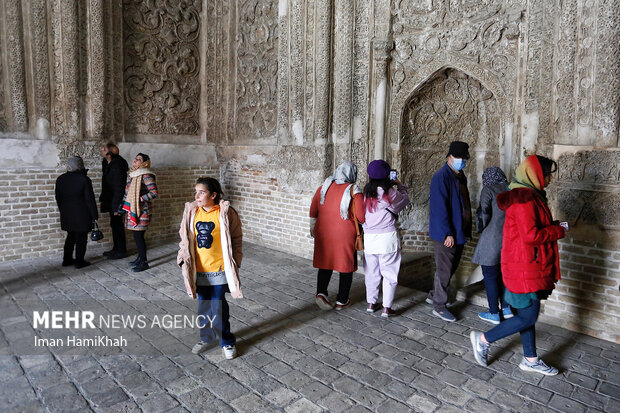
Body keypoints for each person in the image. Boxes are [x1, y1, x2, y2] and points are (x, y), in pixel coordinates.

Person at [470, 155, 566, 376]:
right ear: (534, 174)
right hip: (523, 266)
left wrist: (552, 225)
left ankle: (530, 359)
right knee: (528, 315)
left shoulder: (531, 196)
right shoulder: (523, 198)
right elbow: (531, 235)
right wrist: (559, 231)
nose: (550, 178)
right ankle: (483, 339)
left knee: (526, 314)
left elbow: (531, 227)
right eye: (547, 173)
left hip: (527, 264)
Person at [177, 177, 243, 360]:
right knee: (203, 307)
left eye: (202, 192)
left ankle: (227, 341)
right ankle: (206, 337)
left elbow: (237, 238)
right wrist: (183, 258)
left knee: (218, 307)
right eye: (196, 191)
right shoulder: (192, 212)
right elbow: (184, 238)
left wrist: (235, 261)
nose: (196, 196)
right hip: (199, 270)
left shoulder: (226, 213)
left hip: (219, 270)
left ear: (213, 195)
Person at [310, 161, 365, 311]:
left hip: (323, 231)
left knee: (325, 262)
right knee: (345, 265)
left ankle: (321, 293)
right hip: (344, 234)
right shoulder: (354, 191)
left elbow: (313, 209)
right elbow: (361, 217)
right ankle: (342, 300)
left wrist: (312, 226)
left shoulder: (323, 188)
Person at [427, 141, 472, 322]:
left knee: (449, 267)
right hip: (447, 233)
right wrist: (447, 233)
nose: (461, 161)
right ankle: (439, 305)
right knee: (445, 269)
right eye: (458, 157)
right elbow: (439, 209)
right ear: (450, 156)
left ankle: (433, 294)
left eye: (464, 158)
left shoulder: (459, 176)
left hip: (459, 231)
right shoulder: (441, 177)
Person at [362, 160, 410, 317]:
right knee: (389, 273)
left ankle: (371, 303)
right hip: (386, 238)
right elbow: (405, 200)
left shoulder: (365, 193)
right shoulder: (391, 194)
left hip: (369, 238)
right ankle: (386, 308)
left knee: (371, 273)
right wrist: (400, 184)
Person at [471, 167, 514, 324]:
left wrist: (479, 226)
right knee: (504, 276)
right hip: (509, 240)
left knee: (490, 276)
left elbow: (484, 213)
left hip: (492, 241)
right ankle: (507, 309)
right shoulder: (511, 189)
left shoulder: (489, 189)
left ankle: (494, 312)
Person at [55, 156, 98, 269]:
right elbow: (89, 200)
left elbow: (58, 198)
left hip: (67, 213)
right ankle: (79, 262)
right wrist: (94, 215)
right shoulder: (84, 179)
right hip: (82, 214)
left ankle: (67, 259)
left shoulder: (61, 179)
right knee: (81, 238)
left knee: (70, 236)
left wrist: (63, 210)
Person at [121, 153, 158, 272]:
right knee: (137, 236)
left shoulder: (146, 174)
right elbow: (127, 193)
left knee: (139, 236)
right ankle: (139, 258)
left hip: (142, 210)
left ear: (144, 163)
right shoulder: (132, 174)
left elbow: (154, 193)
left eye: (139, 159)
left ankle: (144, 262)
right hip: (132, 208)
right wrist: (123, 204)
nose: (135, 160)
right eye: (135, 158)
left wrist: (139, 199)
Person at [99, 142, 129, 260]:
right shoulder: (109, 163)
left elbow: (119, 187)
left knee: (118, 225)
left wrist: (117, 206)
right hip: (111, 200)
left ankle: (121, 250)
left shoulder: (117, 166)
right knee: (114, 224)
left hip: (115, 202)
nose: (102, 150)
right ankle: (116, 248)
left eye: (104, 149)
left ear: (109, 154)